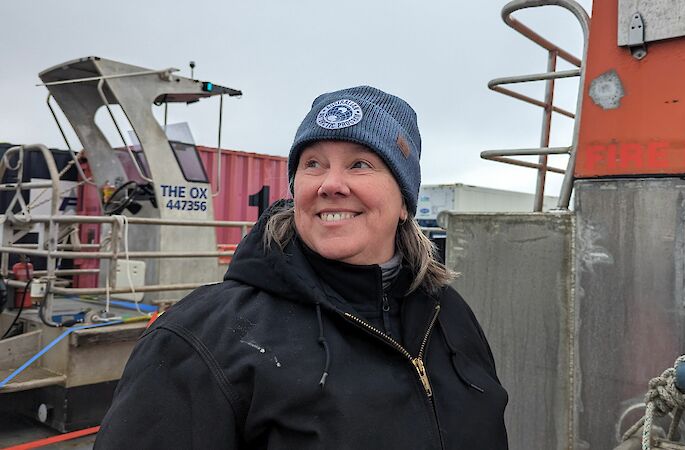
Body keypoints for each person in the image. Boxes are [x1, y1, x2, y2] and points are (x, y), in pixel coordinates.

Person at [95, 86, 509, 449]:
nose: (330, 184)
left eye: (359, 164)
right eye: (313, 164)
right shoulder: (199, 339)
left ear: (404, 201)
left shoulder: (448, 314)